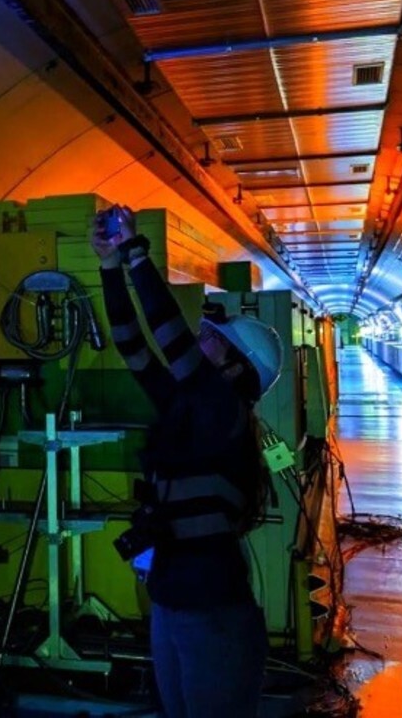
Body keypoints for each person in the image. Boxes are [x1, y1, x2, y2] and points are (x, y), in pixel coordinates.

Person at [92, 205, 282, 718]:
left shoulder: (223, 410)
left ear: (234, 368)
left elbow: (170, 336)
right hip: (173, 600)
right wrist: (109, 268)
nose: (201, 341)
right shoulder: (188, 407)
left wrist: (135, 256)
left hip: (213, 611)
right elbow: (134, 346)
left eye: (213, 342)